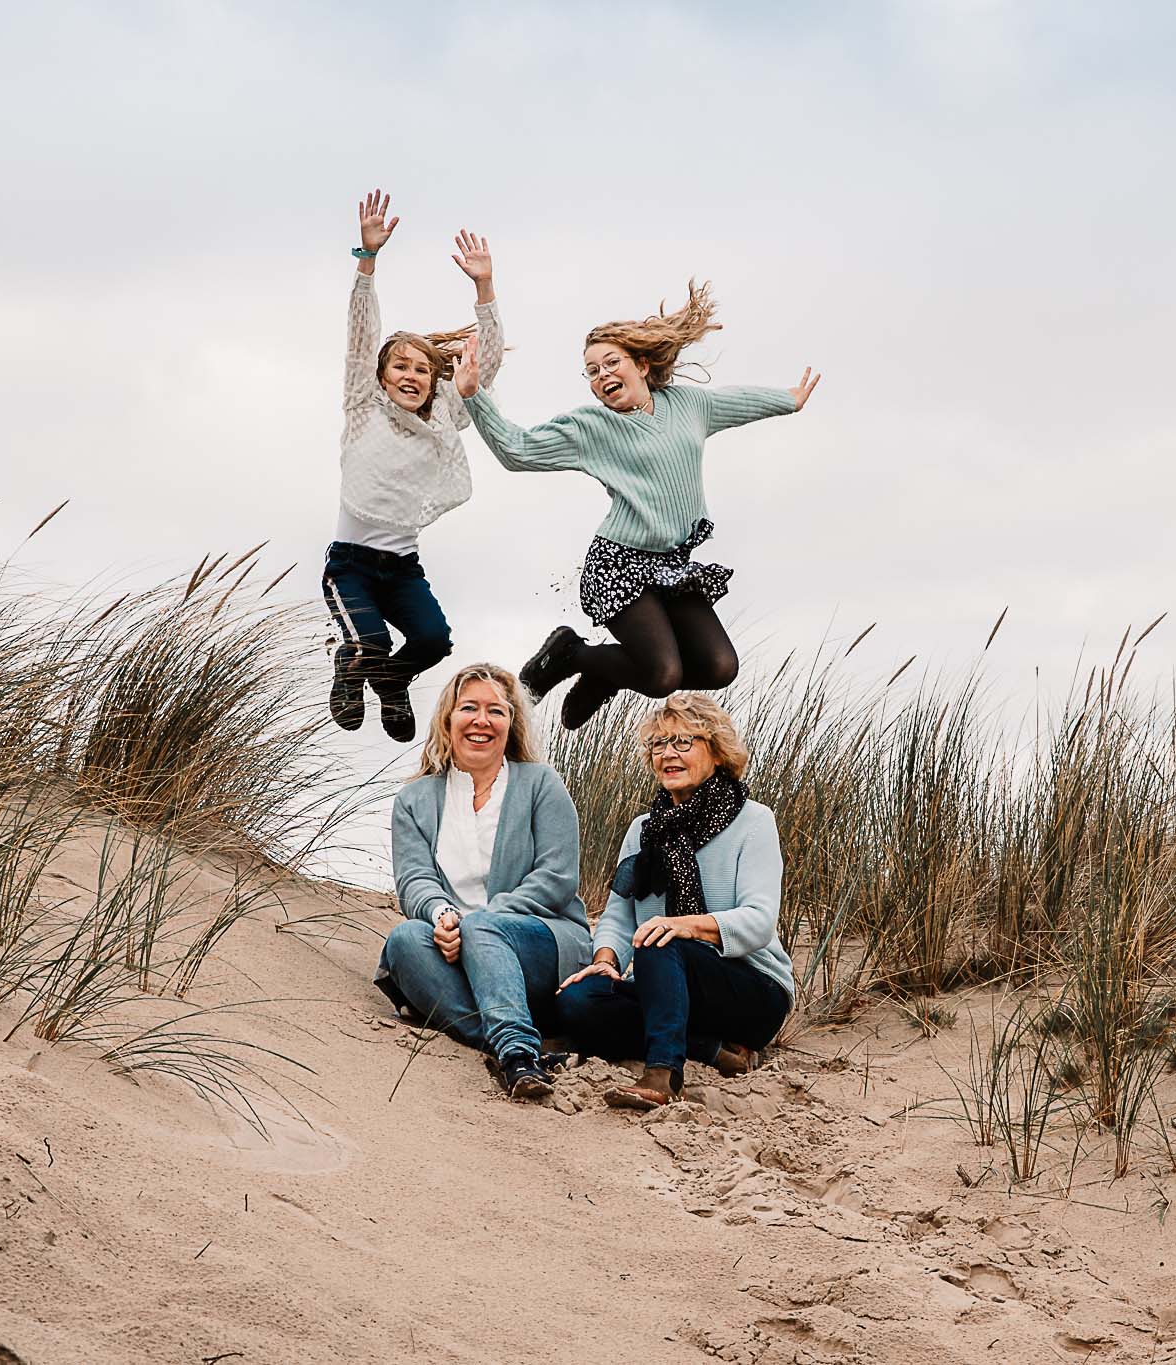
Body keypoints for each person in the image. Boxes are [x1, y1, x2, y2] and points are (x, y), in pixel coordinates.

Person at [451, 284, 818, 730]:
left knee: (720, 667)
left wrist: (788, 401)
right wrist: (473, 395)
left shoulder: (688, 405)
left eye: (611, 363)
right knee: (663, 675)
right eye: (591, 371)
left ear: (642, 365)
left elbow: (735, 402)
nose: (602, 375)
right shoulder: (591, 427)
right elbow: (518, 451)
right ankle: (571, 653)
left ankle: (605, 671)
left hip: (672, 565)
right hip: (619, 564)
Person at [553, 693, 793, 1109]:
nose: (668, 754)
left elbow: (758, 921)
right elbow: (618, 915)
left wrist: (683, 926)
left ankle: (662, 1076)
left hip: (751, 990)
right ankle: (709, 1047)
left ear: (717, 753)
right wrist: (606, 960)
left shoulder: (753, 821)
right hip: (666, 984)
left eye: (684, 742)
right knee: (578, 1000)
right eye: (658, 744)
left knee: (659, 942)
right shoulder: (644, 829)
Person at [324, 188, 503, 742]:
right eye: (399, 366)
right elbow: (360, 337)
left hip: (402, 569)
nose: (410, 375)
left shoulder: (446, 413)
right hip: (351, 566)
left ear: (434, 379)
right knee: (372, 639)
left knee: (433, 641)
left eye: (421, 369)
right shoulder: (362, 405)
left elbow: (485, 363)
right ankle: (356, 664)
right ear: (381, 376)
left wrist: (484, 288)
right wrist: (367, 261)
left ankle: (390, 679)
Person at [376, 663, 593, 1099]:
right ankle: (513, 1044)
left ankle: (514, 1051)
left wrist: (482, 922)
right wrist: (444, 917)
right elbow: (415, 879)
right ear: (448, 719)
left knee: (482, 926)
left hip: (541, 940)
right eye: (469, 708)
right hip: (455, 943)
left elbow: (557, 877)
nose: (481, 721)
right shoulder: (415, 799)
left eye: (496, 711)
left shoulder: (541, 784)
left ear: (511, 723)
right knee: (403, 941)